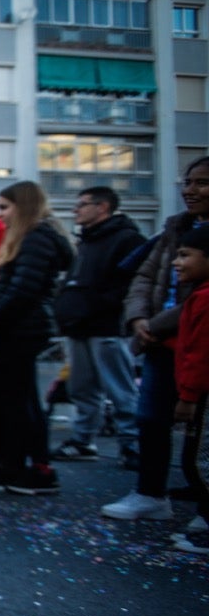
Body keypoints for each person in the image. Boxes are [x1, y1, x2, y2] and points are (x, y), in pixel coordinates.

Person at [107, 157, 209, 521]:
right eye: (188, 181)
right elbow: (146, 276)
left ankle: (203, 503)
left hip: (195, 340)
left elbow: (200, 302)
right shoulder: (174, 228)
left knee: (201, 431)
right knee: (151, 418)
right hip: (159, 342)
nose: (190, 190)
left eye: (202, 183)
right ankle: (150, 493)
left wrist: (158, 322)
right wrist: (138, 319)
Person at [0, 181, 74, 496]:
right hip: (20, 329)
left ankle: (33, 467)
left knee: (20, 402)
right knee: (16, 400)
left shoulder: (36, 238)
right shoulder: (34, 238)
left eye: (5, 207)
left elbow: (23, 291)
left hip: (21, 330)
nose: (0, 216)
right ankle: (18, 464)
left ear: (22, 207)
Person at [51, 186, 145, 465]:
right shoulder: (87, 241)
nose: (75, 210)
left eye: (82, 204)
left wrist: (93, 306)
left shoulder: (126, 240)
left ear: (102, 207)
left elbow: (129, 286)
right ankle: (83, 440)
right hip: (80, 326)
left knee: (120, 388)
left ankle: (132, 445)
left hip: (106, 327)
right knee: (82, 388)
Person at [169, 225, 209, 553]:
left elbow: (200, 354)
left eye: (184, 255)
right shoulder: (198, 295)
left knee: (200, 461)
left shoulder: (206, 299)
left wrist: (188, 396)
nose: (175, 262)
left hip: (200, 394)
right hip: (197, 392)